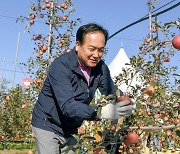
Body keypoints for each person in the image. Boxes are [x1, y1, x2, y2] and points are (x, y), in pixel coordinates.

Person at [31, 23, 134, 154]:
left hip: (70, 128)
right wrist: (100, 113)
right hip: (48, 124)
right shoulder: (61, 66)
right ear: (78, 45)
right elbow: (68, 105)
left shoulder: (100, 69)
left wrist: (125, 101)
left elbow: (110, 92)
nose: (96, 55)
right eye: (92, 49)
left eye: (101, 50)